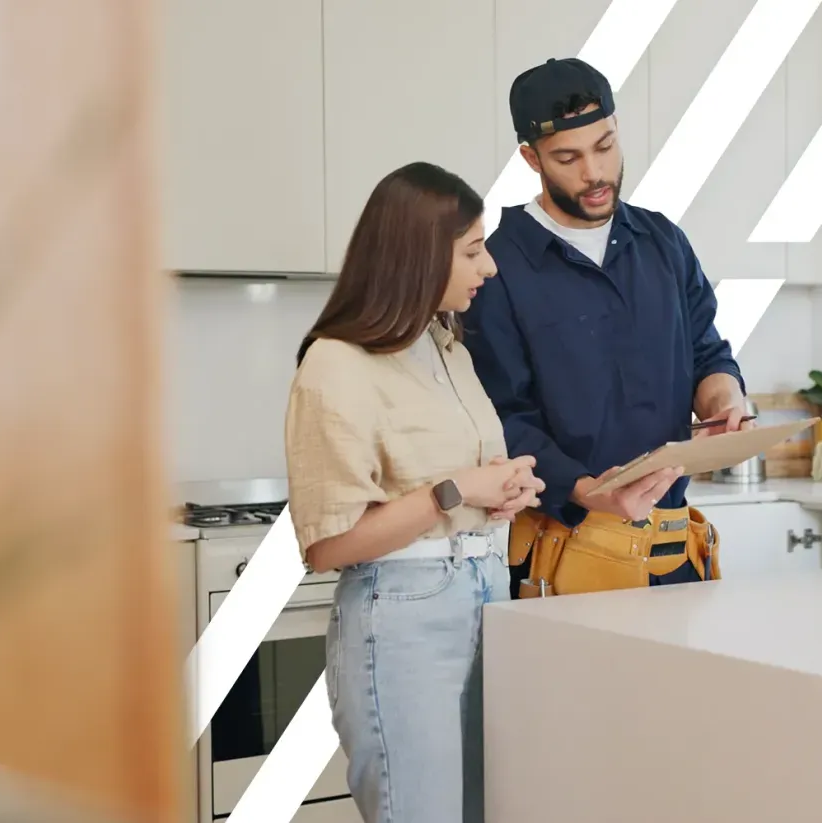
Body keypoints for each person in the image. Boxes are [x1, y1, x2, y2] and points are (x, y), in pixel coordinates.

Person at [284, 161, 545, 823]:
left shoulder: (447, 347)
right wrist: (454, 492)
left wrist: (501, 491)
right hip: (404, 620)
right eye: (472, 251)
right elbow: (328, 544)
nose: (487, 268)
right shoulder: (335, 362)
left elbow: (463, 485)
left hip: (487, 598)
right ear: (418, 255)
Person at [461, 57, 750, 599]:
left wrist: (723, 403)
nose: (594, 173)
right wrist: (586, 490)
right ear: (531, 158)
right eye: (567, 157)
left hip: (674, 553)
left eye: (605, 146)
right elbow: (502, 417)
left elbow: (708, 355)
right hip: (564, 554)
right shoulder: (498, 265)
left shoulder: (664, 243)